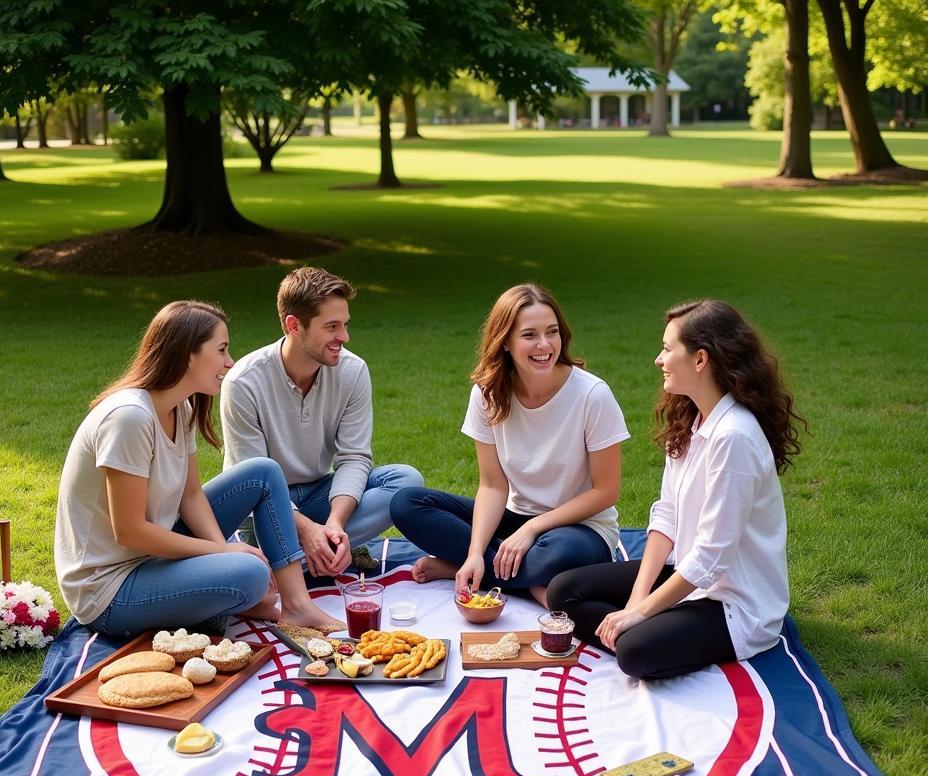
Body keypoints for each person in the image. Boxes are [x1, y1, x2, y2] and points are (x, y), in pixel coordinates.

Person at [547, 299, 805, 680]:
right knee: (562, 593)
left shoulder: (734, 437)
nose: (658, 359)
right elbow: (666, 513)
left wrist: (643, 611)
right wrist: (638, 598)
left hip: (733, 602)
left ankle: (646, 634)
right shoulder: (692, 418)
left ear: (700, 360)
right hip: (685, 571)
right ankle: (649, 626)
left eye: (668, 349)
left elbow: (713, 556)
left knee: (634, 653)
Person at [54, 300, 340, 638]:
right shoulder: (129, 418)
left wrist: (223, 555)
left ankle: (296, 604)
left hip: (152, 558)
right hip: (110, 590)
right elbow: (129, 531)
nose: (229, 362)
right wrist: (226, 554)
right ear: (188, 354)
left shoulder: (181, 407)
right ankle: (240, 594)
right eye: (221, 350)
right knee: (249, 573)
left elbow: (191, 495)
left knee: (262, 472)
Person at [390, 283, 629, 606]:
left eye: (552, 332)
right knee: (406, 503)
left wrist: (532, 529)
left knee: (559, 555)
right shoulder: (487, 395)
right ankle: (518, 578)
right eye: (529, 335)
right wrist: (475, 552)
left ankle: (478, 570)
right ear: (505, 342)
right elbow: (492, 485)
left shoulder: (592, 395)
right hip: (512, 518)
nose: (544, 345)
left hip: (579, 529)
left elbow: (606, 491)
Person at [220, 266, 423, 578]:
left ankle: (304, 556)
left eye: (344, 324)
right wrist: (305, 528)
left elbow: (354, 457)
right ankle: (305, 556)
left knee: (405, 481)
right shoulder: (244, 382)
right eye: (331, 326)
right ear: (294, 325)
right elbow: (253, 481)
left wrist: (334, 523)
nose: (344, 336)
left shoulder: (353, 371)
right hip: (262, 508)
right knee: (262, 493)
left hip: (319, 494)